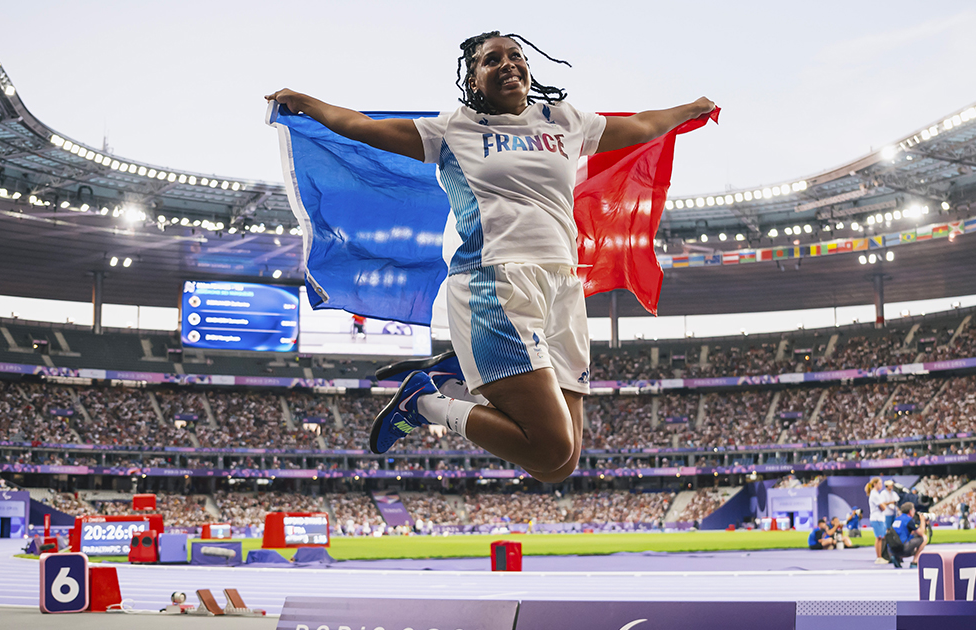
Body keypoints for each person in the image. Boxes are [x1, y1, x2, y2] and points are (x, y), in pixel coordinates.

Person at [267, 32, 715, 483]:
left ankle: (458, 378)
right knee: (548, 445)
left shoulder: (565, 120)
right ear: (474, 80)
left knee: (559, 464)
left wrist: (689, 109)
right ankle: (425, 401)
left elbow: (640, 126)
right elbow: (364, 127)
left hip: (562, 286)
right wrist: (309, 103)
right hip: (495, 283)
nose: (508, 64)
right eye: (491, 60)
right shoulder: (452, 129)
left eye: (515, 55)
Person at [886, 501, 928, 568]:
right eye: (913, 510)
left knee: (907, 537)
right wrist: (922, 520)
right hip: (902, 549)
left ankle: (896, 557)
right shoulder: (909, 520)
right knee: (924, 538)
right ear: (910, 511)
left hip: (891, 549)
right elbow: (921, 533)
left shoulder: (897, 518)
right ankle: (914, 561)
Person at [867, 477, 894, 564]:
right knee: (879, 537)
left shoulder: (876, 494)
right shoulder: (874, 494)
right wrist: (885, 506)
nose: (881, 485)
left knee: (880, 537)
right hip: (877, 518)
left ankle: (880, 556)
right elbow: (883, 507)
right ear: (875, 484)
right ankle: (879, 557)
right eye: (879, 483)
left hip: (878, 518)